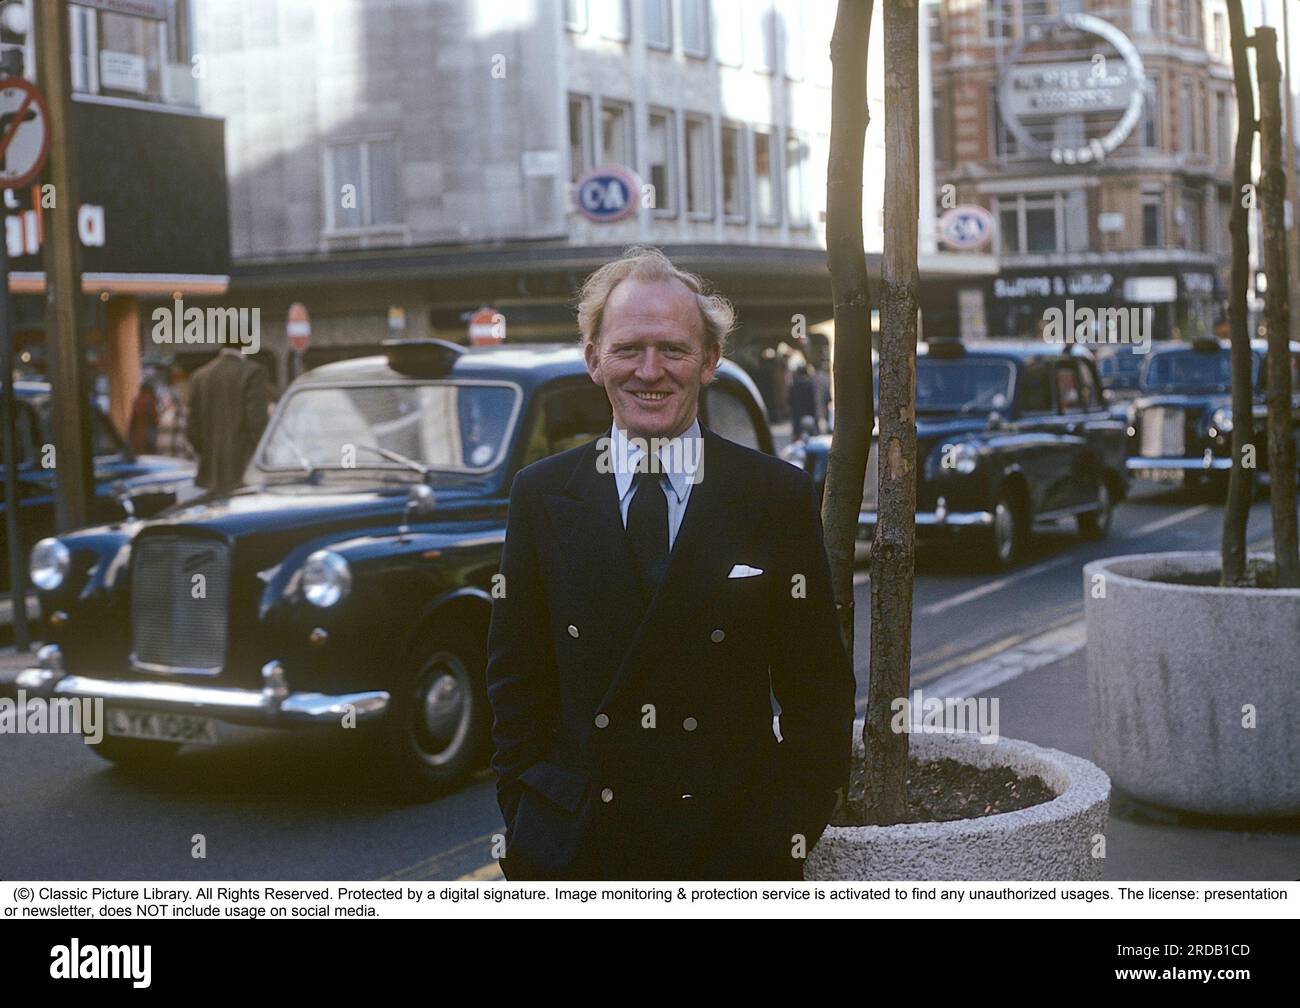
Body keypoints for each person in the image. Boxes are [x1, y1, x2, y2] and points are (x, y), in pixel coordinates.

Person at [486, 246, 855, 881]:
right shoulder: (541, 495)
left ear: (709, 362)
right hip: (579, 853)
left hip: (729, 853)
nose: (649, 372)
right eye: (628, 349)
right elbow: (515, 680)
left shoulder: (774, 495)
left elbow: (817, 691)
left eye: (673, 350)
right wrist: (531, 819)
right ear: (594, 360)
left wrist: (781, 832)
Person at [185, 348, 271, 493]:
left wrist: (208, 453)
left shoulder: (199, 376)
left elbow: (192, 430)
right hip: (244, 473)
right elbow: (257, 424)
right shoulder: (253, 373)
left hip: (210, 475)